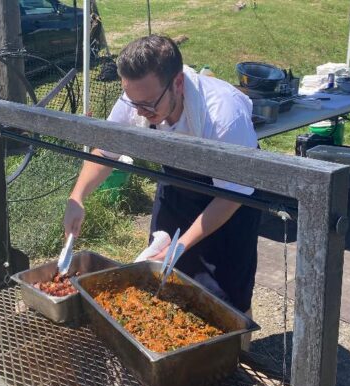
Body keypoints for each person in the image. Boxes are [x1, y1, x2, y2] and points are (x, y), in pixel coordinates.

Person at [62, 35, 261, 314]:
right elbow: (106, 152)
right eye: (134, 103)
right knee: (161, 281)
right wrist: (77, 196)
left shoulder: (224, 117)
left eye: (149, 104)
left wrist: (179, 246)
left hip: (229, 198)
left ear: (177, 83)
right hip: (177, 185)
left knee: (227, 300)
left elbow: (231, 197)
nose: (140, 111)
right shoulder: (137, 99)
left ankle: (235, 353)